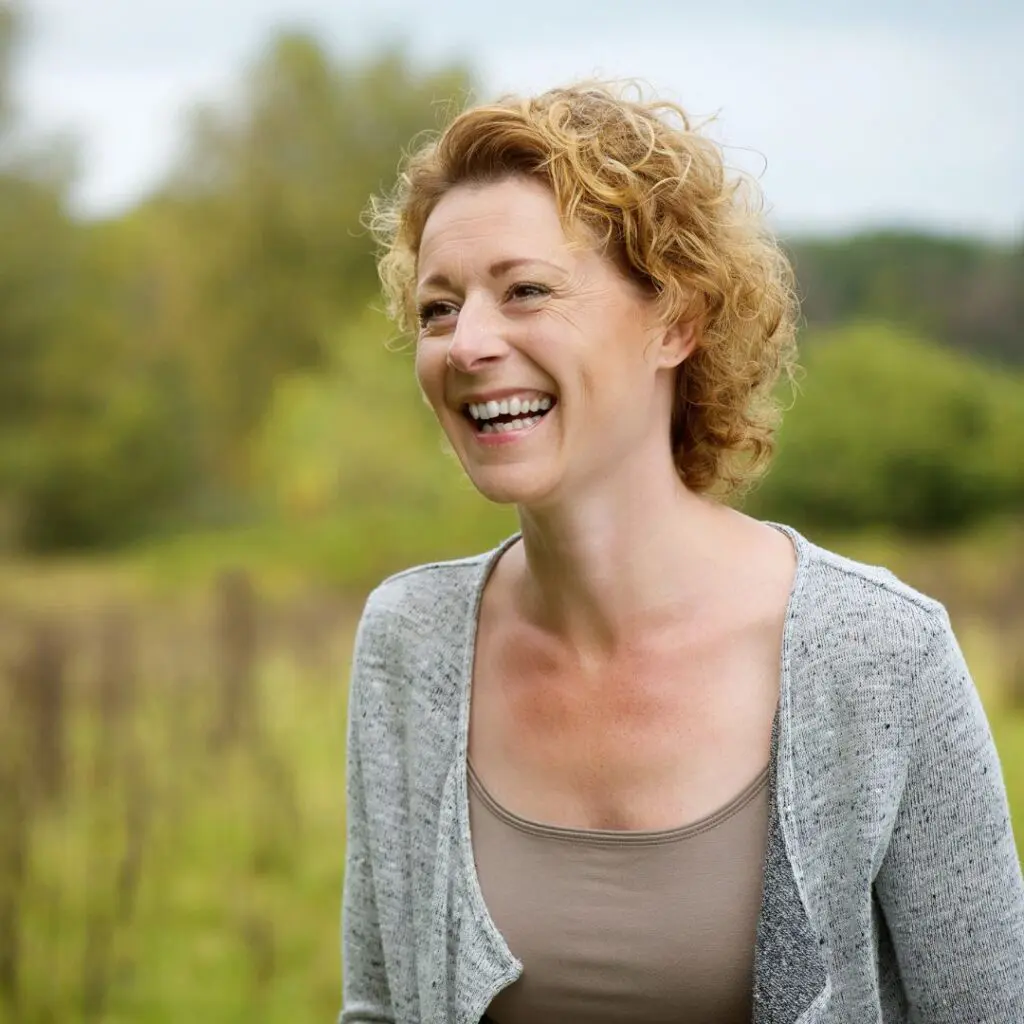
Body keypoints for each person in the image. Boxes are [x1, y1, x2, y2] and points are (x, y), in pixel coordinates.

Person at [340, 82, 1024, 1024]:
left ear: (676, 320)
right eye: (438, 310)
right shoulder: (408, 644)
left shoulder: (881, 655)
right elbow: (379, 1008)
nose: (468, 344)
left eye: (527, 290)